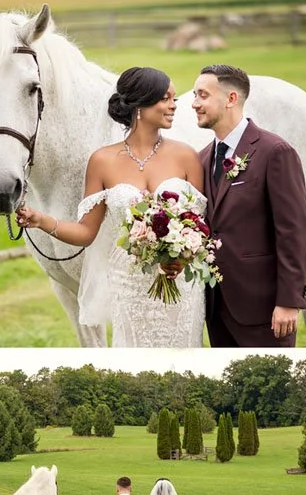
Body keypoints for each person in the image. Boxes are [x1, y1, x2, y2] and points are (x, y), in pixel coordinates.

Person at [14, 67, 207, 346]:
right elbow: (86, 233)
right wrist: (41, 220)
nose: (174, 106)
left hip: (181, 284)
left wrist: (183, 257)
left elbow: (199, 226)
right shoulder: (102, 161)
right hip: (129, 286)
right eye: (165, 99)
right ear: (140, 105)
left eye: (174, 98)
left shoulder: (186, 156)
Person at [191, 65, 306, 347]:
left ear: (231, 99)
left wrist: (288, 302)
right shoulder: (202, 158)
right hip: (216, 307)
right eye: (195, 95)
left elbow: (292, 232)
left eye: (203, 95)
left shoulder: (275, 152)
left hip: (264, 308)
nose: (194, 103)